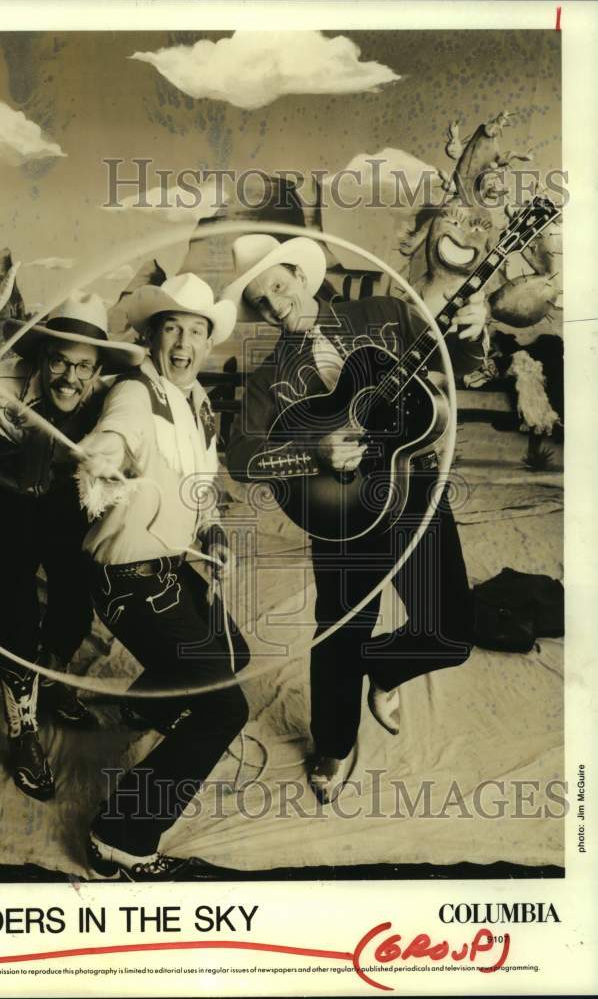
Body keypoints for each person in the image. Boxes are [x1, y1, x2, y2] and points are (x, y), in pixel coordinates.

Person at [222, 234, 487, 803]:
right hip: (339, 512)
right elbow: (242, 458)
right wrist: (312, 454)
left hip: (416, 490)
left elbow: (458, 367)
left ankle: (381, 672)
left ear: (298, 274)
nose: (274, 304)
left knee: (450, 635)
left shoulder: (385, 314)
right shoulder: (268, 378)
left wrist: (472, 328)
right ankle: (333, 743)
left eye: (277, 285)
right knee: (342, 620)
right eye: (260, 300)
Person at [76, 273, 249, 880]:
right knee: (223, 711)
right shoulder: (133, 391)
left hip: (175, 565)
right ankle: (119, 837)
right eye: (170, 328)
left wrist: (212, 531)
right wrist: (101, 458)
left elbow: (201, 492)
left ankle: (140, 711)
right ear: (151, 337)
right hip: (128, 576)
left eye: (195, 331)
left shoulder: (199, 402)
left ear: (208, 342)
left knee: (237, 651)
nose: (182, 341)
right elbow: (113, 435)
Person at [0, 293, 145, 801]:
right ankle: (23, 730)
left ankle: (55, 674)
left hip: (60, 495)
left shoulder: (110, 396)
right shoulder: (3, 383)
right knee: (16, 607)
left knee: (75, 593)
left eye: (83, 366)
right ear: (42, 360)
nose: (70, 376)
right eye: (59, 361)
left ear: (97, 371)